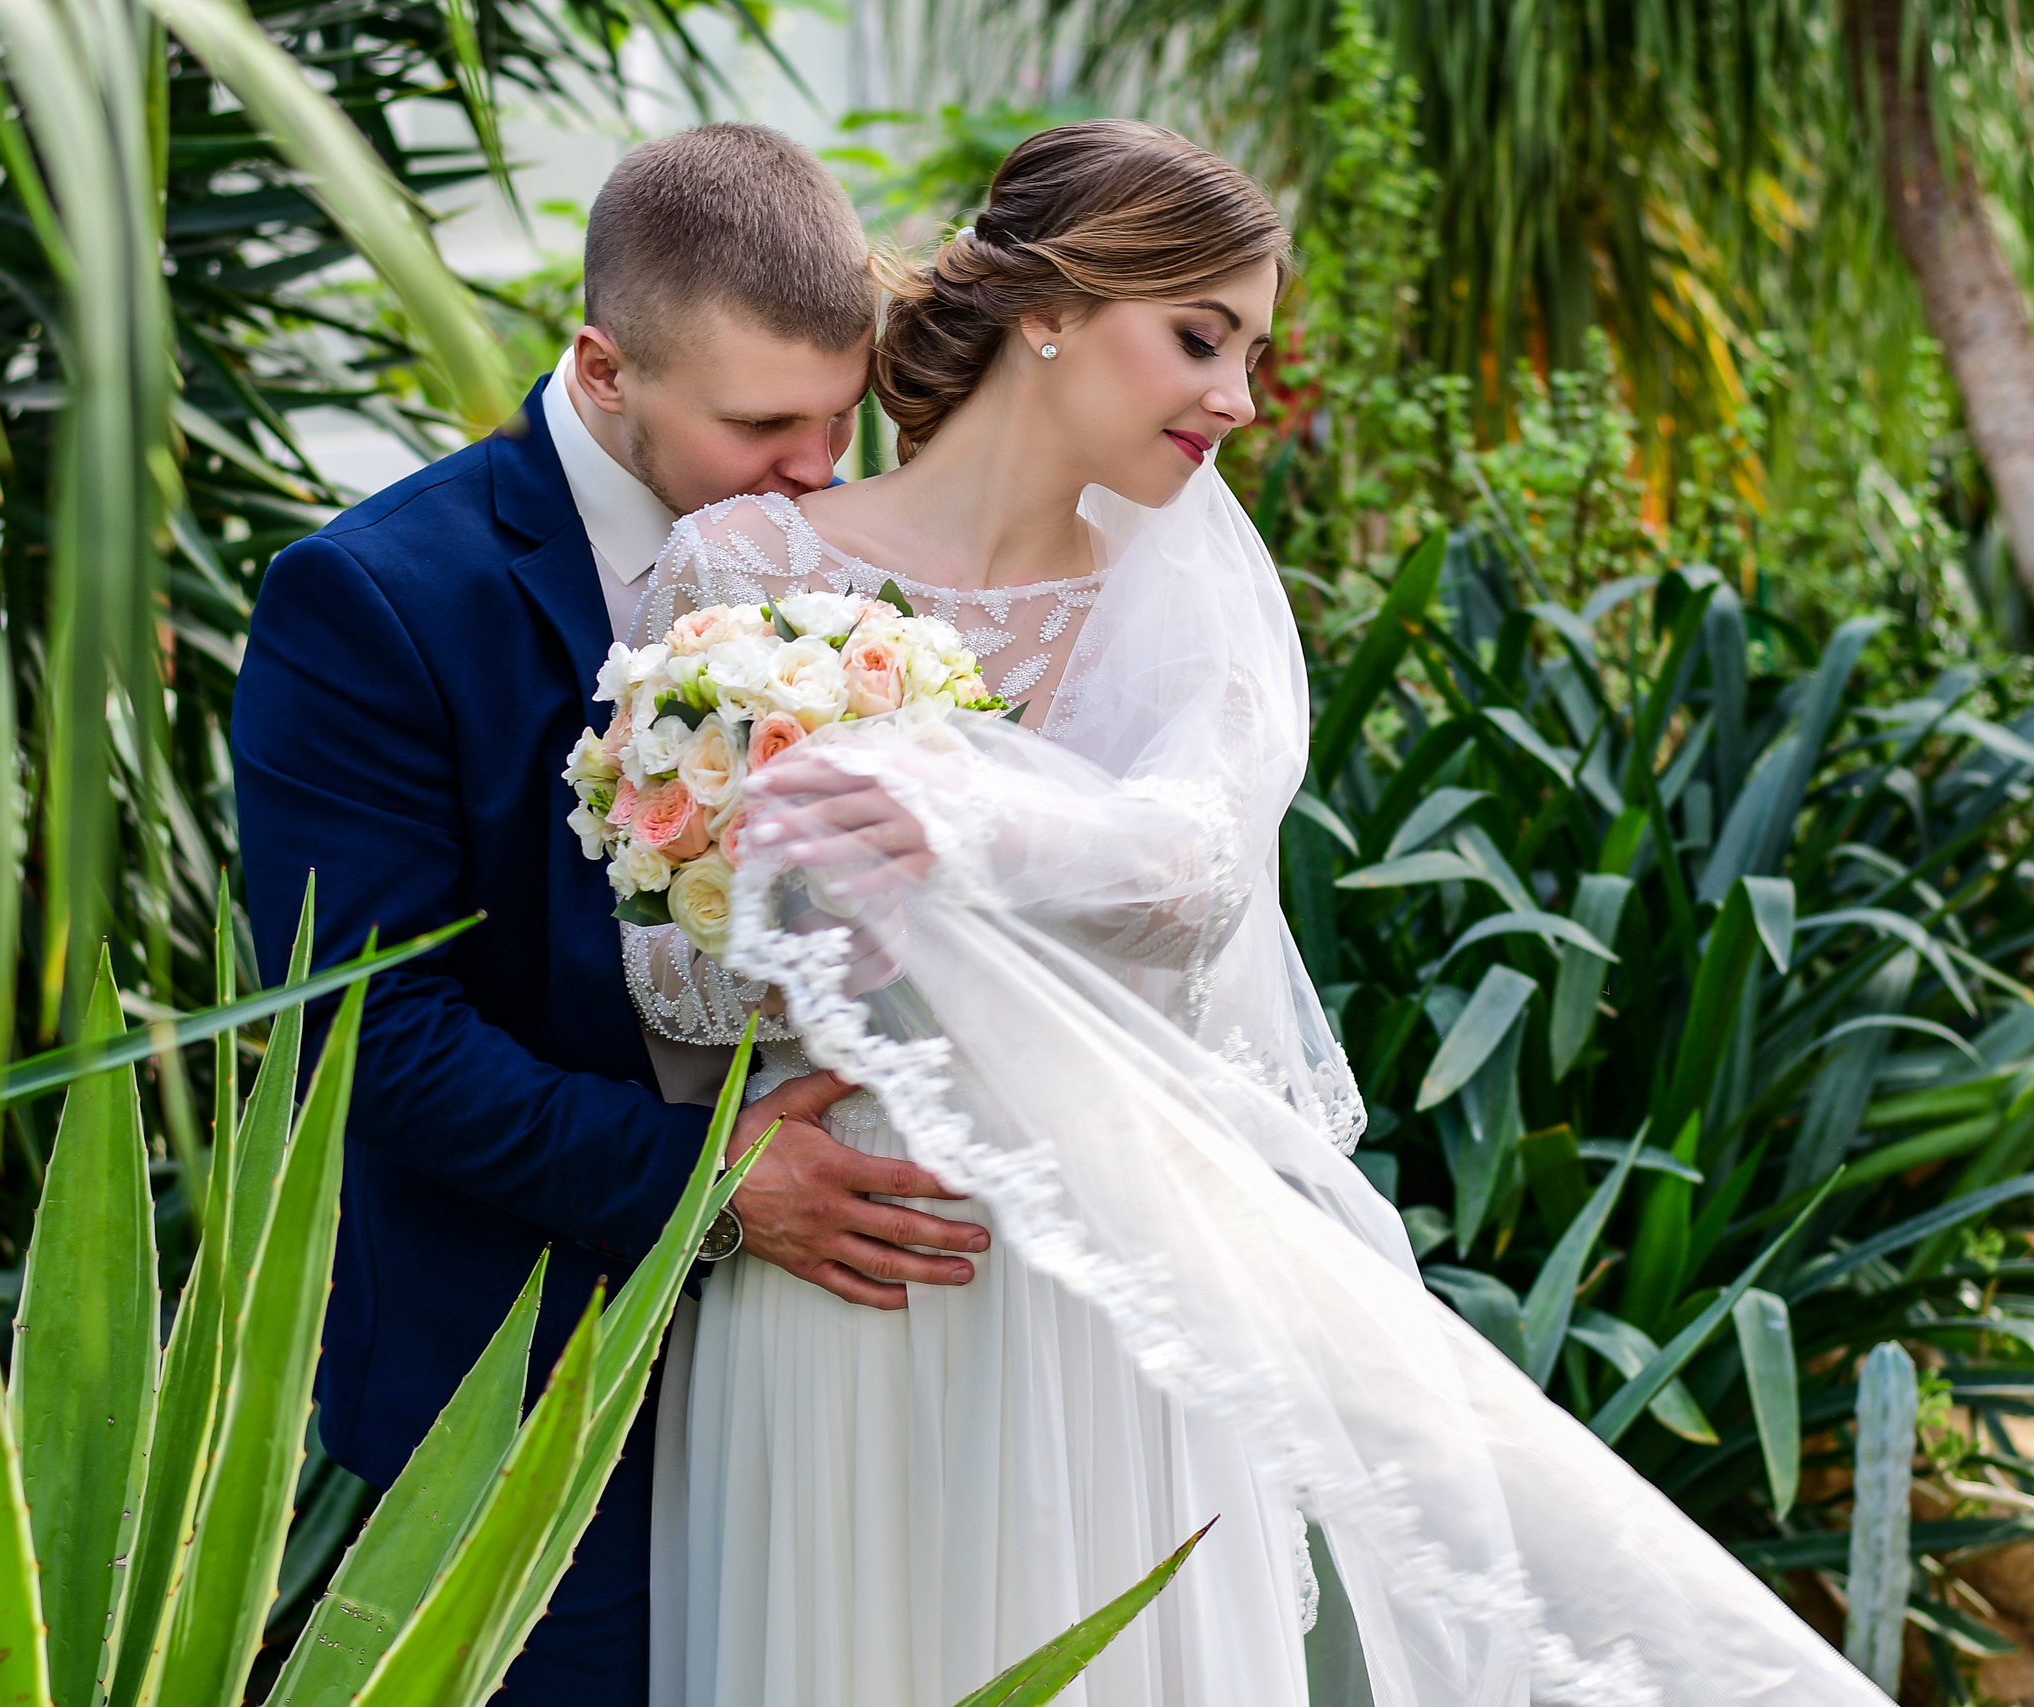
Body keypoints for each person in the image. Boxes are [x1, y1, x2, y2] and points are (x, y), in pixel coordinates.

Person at [628, 120, 1898, 1706]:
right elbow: (665, 968)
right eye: (1200, 337)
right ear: (1051, 310)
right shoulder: (737, 573)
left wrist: (965, 815)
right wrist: (801, 939)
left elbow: (1194, 868)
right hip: (836, 1260)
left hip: (1095, 1289)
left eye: (1251, 350)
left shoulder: (1191, 609)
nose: (1237, 398)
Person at [229, 124, 991, 1706]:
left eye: (838, 423)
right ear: (600, 366)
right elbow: (364, 1033)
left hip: (842, 1357)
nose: (813, 473)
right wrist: (710, 1187)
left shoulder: (852, 563)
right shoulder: (373, 599)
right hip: (526, 1378)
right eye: (762, 425)